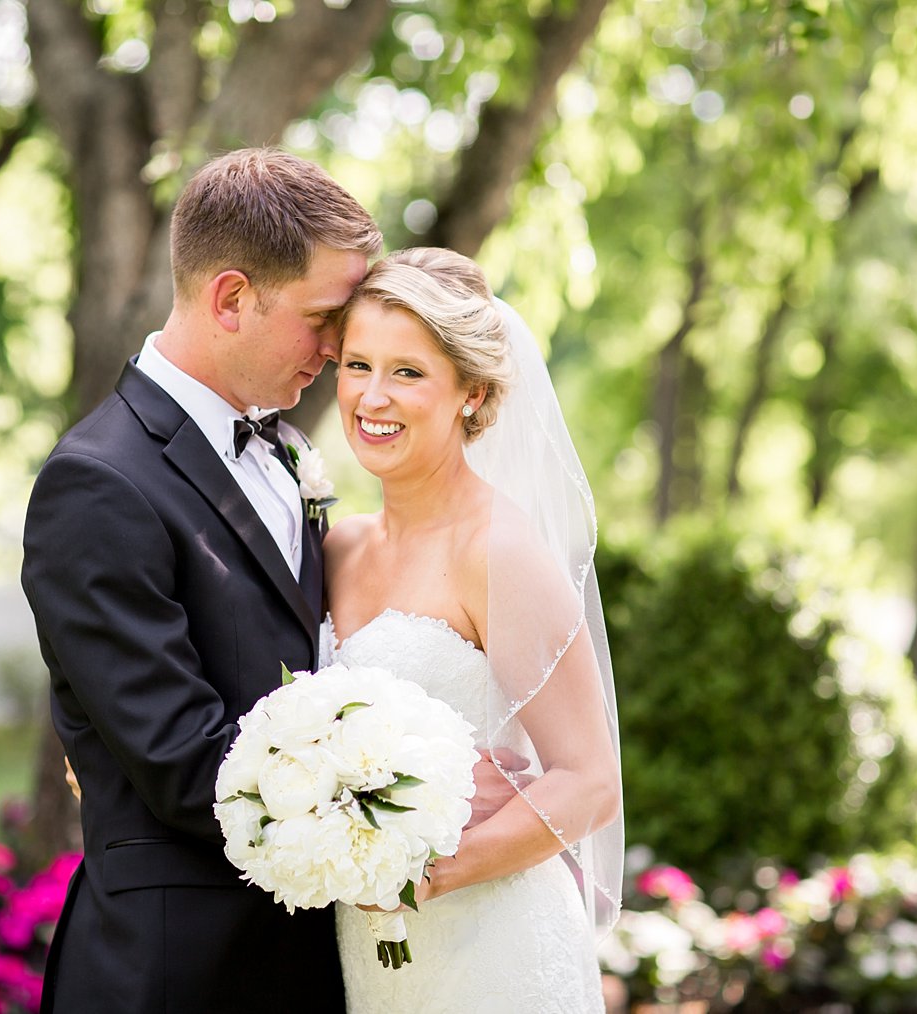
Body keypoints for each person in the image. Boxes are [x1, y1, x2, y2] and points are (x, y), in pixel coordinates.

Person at [19, 148, 380, 1012]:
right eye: (324, 317)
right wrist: (403, 807)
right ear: (231, 299)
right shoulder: (98, 483)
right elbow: (183, 764)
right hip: (178, 973)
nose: (337, 351)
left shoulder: (287, 454)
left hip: (312, 960)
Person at [323, 248, 624, 1013]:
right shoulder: (336, 548)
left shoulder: (501, 552)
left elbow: (590, 782)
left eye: (408, 372)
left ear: (473, 393)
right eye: (358, 364)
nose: (372, 397)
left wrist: (427, 871)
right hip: (372, 954)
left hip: (493, 948)